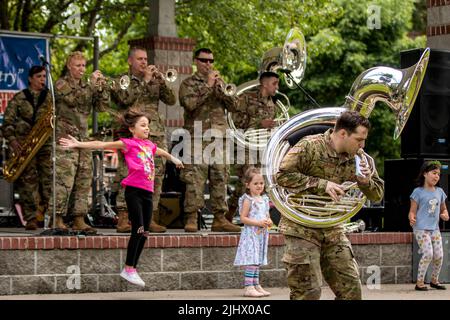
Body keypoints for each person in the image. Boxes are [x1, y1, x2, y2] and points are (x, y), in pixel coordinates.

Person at [59, 109, 183, 286]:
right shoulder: (127, 144)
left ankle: (131, 269)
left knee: (145, 232)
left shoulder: (149, 145)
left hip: (148, 193)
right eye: (143, 125)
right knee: (138, 229)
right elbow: (101, 145)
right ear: (132, 129)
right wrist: (78, 144)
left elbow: (160, 151)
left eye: (148, 125)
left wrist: (174, 159)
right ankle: (129, 268)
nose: (147, 128)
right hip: (134, 191)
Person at [276, 110, 384, 300]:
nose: (362, 145)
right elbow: (282, 176)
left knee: (351, 291)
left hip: (333, 228)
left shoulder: (359, 158)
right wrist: (321, 184)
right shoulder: (310, 146)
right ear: (343, 133)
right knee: (308, 293)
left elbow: (377, 195)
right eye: (359, 139)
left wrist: (365, 182)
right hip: (301, 227)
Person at [109, 46, 176, 233]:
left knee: (156, 174)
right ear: (130, 61)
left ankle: (150, 216)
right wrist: (145, 81)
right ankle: (123, 217)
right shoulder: (122, 81)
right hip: (131, 133)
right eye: (139, 59)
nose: (144, 62)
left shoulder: (155, 80)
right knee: (127, 173)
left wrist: (162, 82)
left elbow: (171, 100)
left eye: (145, 59)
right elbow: (124, 100)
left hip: (154, 133)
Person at [179, 47, 241, 233]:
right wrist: (207, 85)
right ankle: (191, 216)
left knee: (220, 177)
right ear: (196, 62)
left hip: (219, 138)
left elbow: (235, 106)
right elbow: (189, 104)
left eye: (211, 61)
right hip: (197, 137)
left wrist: (222, 89)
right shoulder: (188, 84)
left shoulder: (219, 83)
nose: (208, 64)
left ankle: (220, 218)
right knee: (195, 179)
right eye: (204, 60)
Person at [52, 51, 109, 233]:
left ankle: (79, 218)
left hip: (83, 140)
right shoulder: (61, 84)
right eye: (78, 65)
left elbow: (101, 107)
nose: (82, 69)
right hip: (65, 138)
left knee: (83, 180)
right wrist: (92, 86)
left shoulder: (87, 85)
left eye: (84, 65)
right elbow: (75, 99)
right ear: (69, 66)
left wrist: (101, 89)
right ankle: (57, 218)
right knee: (64, 179)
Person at [2, 66, 52, 230]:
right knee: (28, 183)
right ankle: (31, 218)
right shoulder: (19, 98)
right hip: (24, 145)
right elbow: (7, 123)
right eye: (39, 76)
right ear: (30, 78)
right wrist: (13, 140)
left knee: (48, 181)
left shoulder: (50, 98)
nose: (42, 79)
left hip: (45, 144)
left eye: (44, 76)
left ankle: (50, 216)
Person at [227, 71, 280, 222]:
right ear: (264, 83)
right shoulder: (246, 98)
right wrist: (259, 124)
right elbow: (235, 123)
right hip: (244, 146)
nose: (277, 87)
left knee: (256, 181)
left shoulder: (273, 103)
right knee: (247, 180)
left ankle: (252, 217)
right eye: (274, 83)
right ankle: (231, 215)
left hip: (260, 148)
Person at [408, 161, 449, 291]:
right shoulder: (418, 192)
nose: (436, 176)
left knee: (439, 255)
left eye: (438, 174)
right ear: (425, 174)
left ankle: (434, 280)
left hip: (434, 229)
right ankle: (419, 283)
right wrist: (411, 218)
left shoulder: (440, 192)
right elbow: (412, 211)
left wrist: (445, 215)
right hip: (421, 228)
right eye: (434, 173)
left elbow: (444, 209)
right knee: (428, 253)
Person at [234, 167, 272, 297]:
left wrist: (269, 221)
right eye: (255, 183)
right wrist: (258, 223)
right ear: (247, 185)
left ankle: (256, 284)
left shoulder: (265, 199)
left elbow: (266, 215)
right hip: (251, 234)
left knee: (258, 260)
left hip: (261, 234)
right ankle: (248, 286)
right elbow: (243, 218)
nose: (259, 186)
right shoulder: (248, 200)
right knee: (252, 260)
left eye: (261, 183)